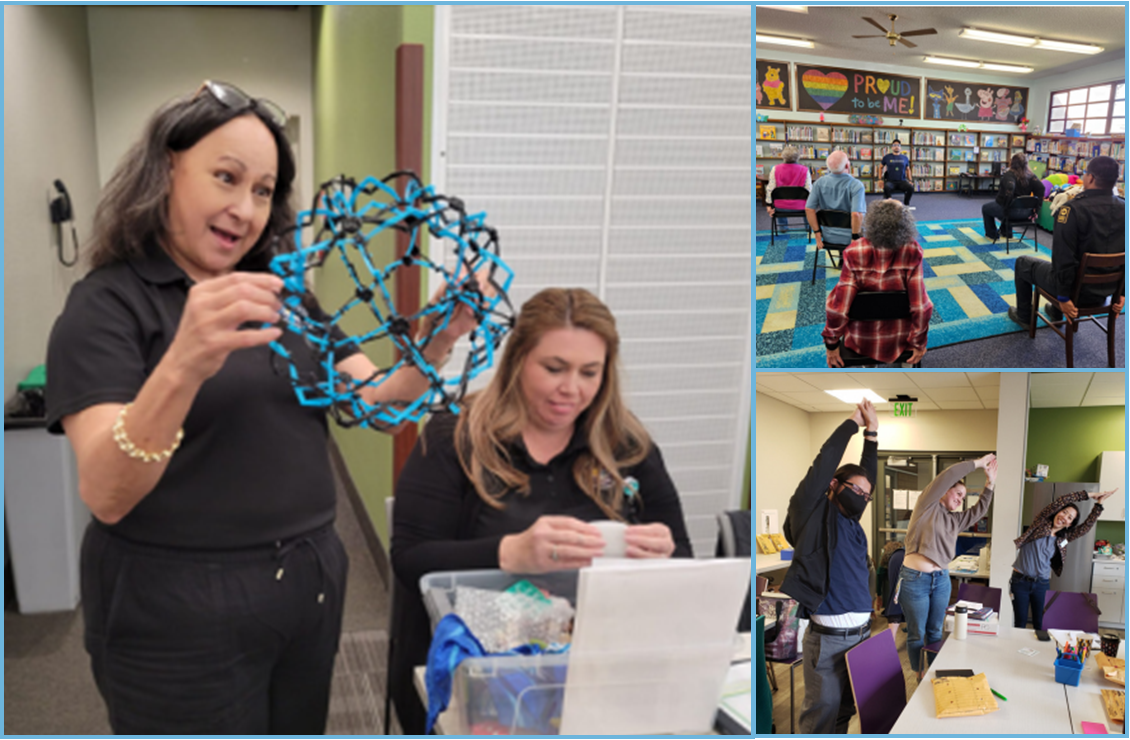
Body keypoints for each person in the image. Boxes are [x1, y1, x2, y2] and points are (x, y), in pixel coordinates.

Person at [44, 80, 478, 734]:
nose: (245, 209)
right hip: (176, 604)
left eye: (263, 191)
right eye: (226, 177)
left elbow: (377, 403)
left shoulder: (285, 296)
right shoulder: (107, 306)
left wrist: (438, 341)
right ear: (165, 169)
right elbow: (106, 490)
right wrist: (186, 360)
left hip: (310, 583)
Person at [389, 287, 694, 734]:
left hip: (594, 665)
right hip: (478, 670)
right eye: (554, 368)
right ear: (517, 361)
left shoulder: (627, 446)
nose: (571, 389)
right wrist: (511, 554)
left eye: (590, 372)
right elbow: (411, 559)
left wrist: (658, 557)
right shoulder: (455, 436)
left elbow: (682, 558)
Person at [781, 399, 878, 735]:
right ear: (834, 485)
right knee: (820, 718)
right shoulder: (813, 513)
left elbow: (869, 479)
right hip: (829, 642)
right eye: (856, 490)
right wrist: (854, 422)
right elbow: (823, 464)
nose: (863, 497)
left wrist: (873, 436)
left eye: (867, 496)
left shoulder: (852, 521)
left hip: (862, 637)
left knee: (845, 712)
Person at [899, 454, 997, 679]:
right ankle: (918, 673)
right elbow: (949, 474)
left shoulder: (955, 519)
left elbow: (979, 511)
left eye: (964, 496)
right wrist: (978, 464)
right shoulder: (926, 505)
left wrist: (990, 484)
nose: (961, 499)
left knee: (935, 631)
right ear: (944, 490)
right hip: (915, 580)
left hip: (941, 580)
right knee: (916, 633)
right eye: (958, 493)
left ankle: (935, 673)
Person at [1009, 155, 1126, 328]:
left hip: (1075, 291)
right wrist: (1122, 293)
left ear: (1091, 178)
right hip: (1109, 289)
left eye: (1085, 174)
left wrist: (1063, 297)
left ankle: (1024, 316)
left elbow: (1063, 257)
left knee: (1022, 263)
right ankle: (1055, 311)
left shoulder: (1072, 210)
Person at [822, 199, 933, 367]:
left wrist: (831, 344)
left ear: (872, 221)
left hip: (861, 341)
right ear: (904, 224)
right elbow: (921, 307)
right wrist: (918, 343)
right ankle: (907, 364)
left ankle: (870, 365)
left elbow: (838, 309)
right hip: (901, 340)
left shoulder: (853, 251)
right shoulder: (912, 250)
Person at [1011, 489, 1116, 629]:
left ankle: (1038, 650)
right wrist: (1090, 495)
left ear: (1069, 524)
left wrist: (1099, 504)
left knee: (1040, 623)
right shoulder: (1040, 524)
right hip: (1020, 581)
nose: (1065, 517)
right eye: (1064, 512)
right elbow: (1062, 500)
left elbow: (1086, 527)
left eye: (1070, 517)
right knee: (1020, 622)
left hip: (1041, 584)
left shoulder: (1063, 539)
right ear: (1057, 511)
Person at [805, 150, 867, 261]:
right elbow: (856, 214)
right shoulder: (856, 185)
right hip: (850, 236)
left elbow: (809, 209)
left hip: (828, 236)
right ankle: (852, 260)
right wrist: (855, 237)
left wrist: (817, 233)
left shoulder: (819, 183)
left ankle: (842, 257)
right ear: (848, 165)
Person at [982, 152, 1044, 242]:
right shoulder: (1031, 176)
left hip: (1010, 213)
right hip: (1027, 213)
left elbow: (1010, 187)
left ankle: (992, 234)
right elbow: (1041, 188)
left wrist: (1006, 208)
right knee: (1010, 204)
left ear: (1012, 162)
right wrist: (1036, 208)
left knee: (986, 208)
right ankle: (1006, 233)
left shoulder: (1009, 174)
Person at [765, 145, 812, 229]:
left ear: (783, 156)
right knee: (808, 204)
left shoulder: (775, 169)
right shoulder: (805, 170)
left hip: (780, 207)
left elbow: (770, 189)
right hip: (801, 206)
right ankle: (807, 227)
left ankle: (783, 228)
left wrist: (769, 205)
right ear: (798, 157)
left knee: (778, 198)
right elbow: (809, 190)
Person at [881, 139, 914, 206]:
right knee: (886, 187)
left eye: (898, 145)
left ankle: (906, 204)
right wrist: (879, 179)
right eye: (894, 145)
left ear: (900, 147)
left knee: (911, 187)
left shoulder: (905, 158)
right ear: (892, 147)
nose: (896, 147)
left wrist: (910, 180)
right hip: (890, 181)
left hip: (902, 181)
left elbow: (908, 169)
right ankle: (890, 204)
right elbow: (880, 167)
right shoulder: (887, 157)